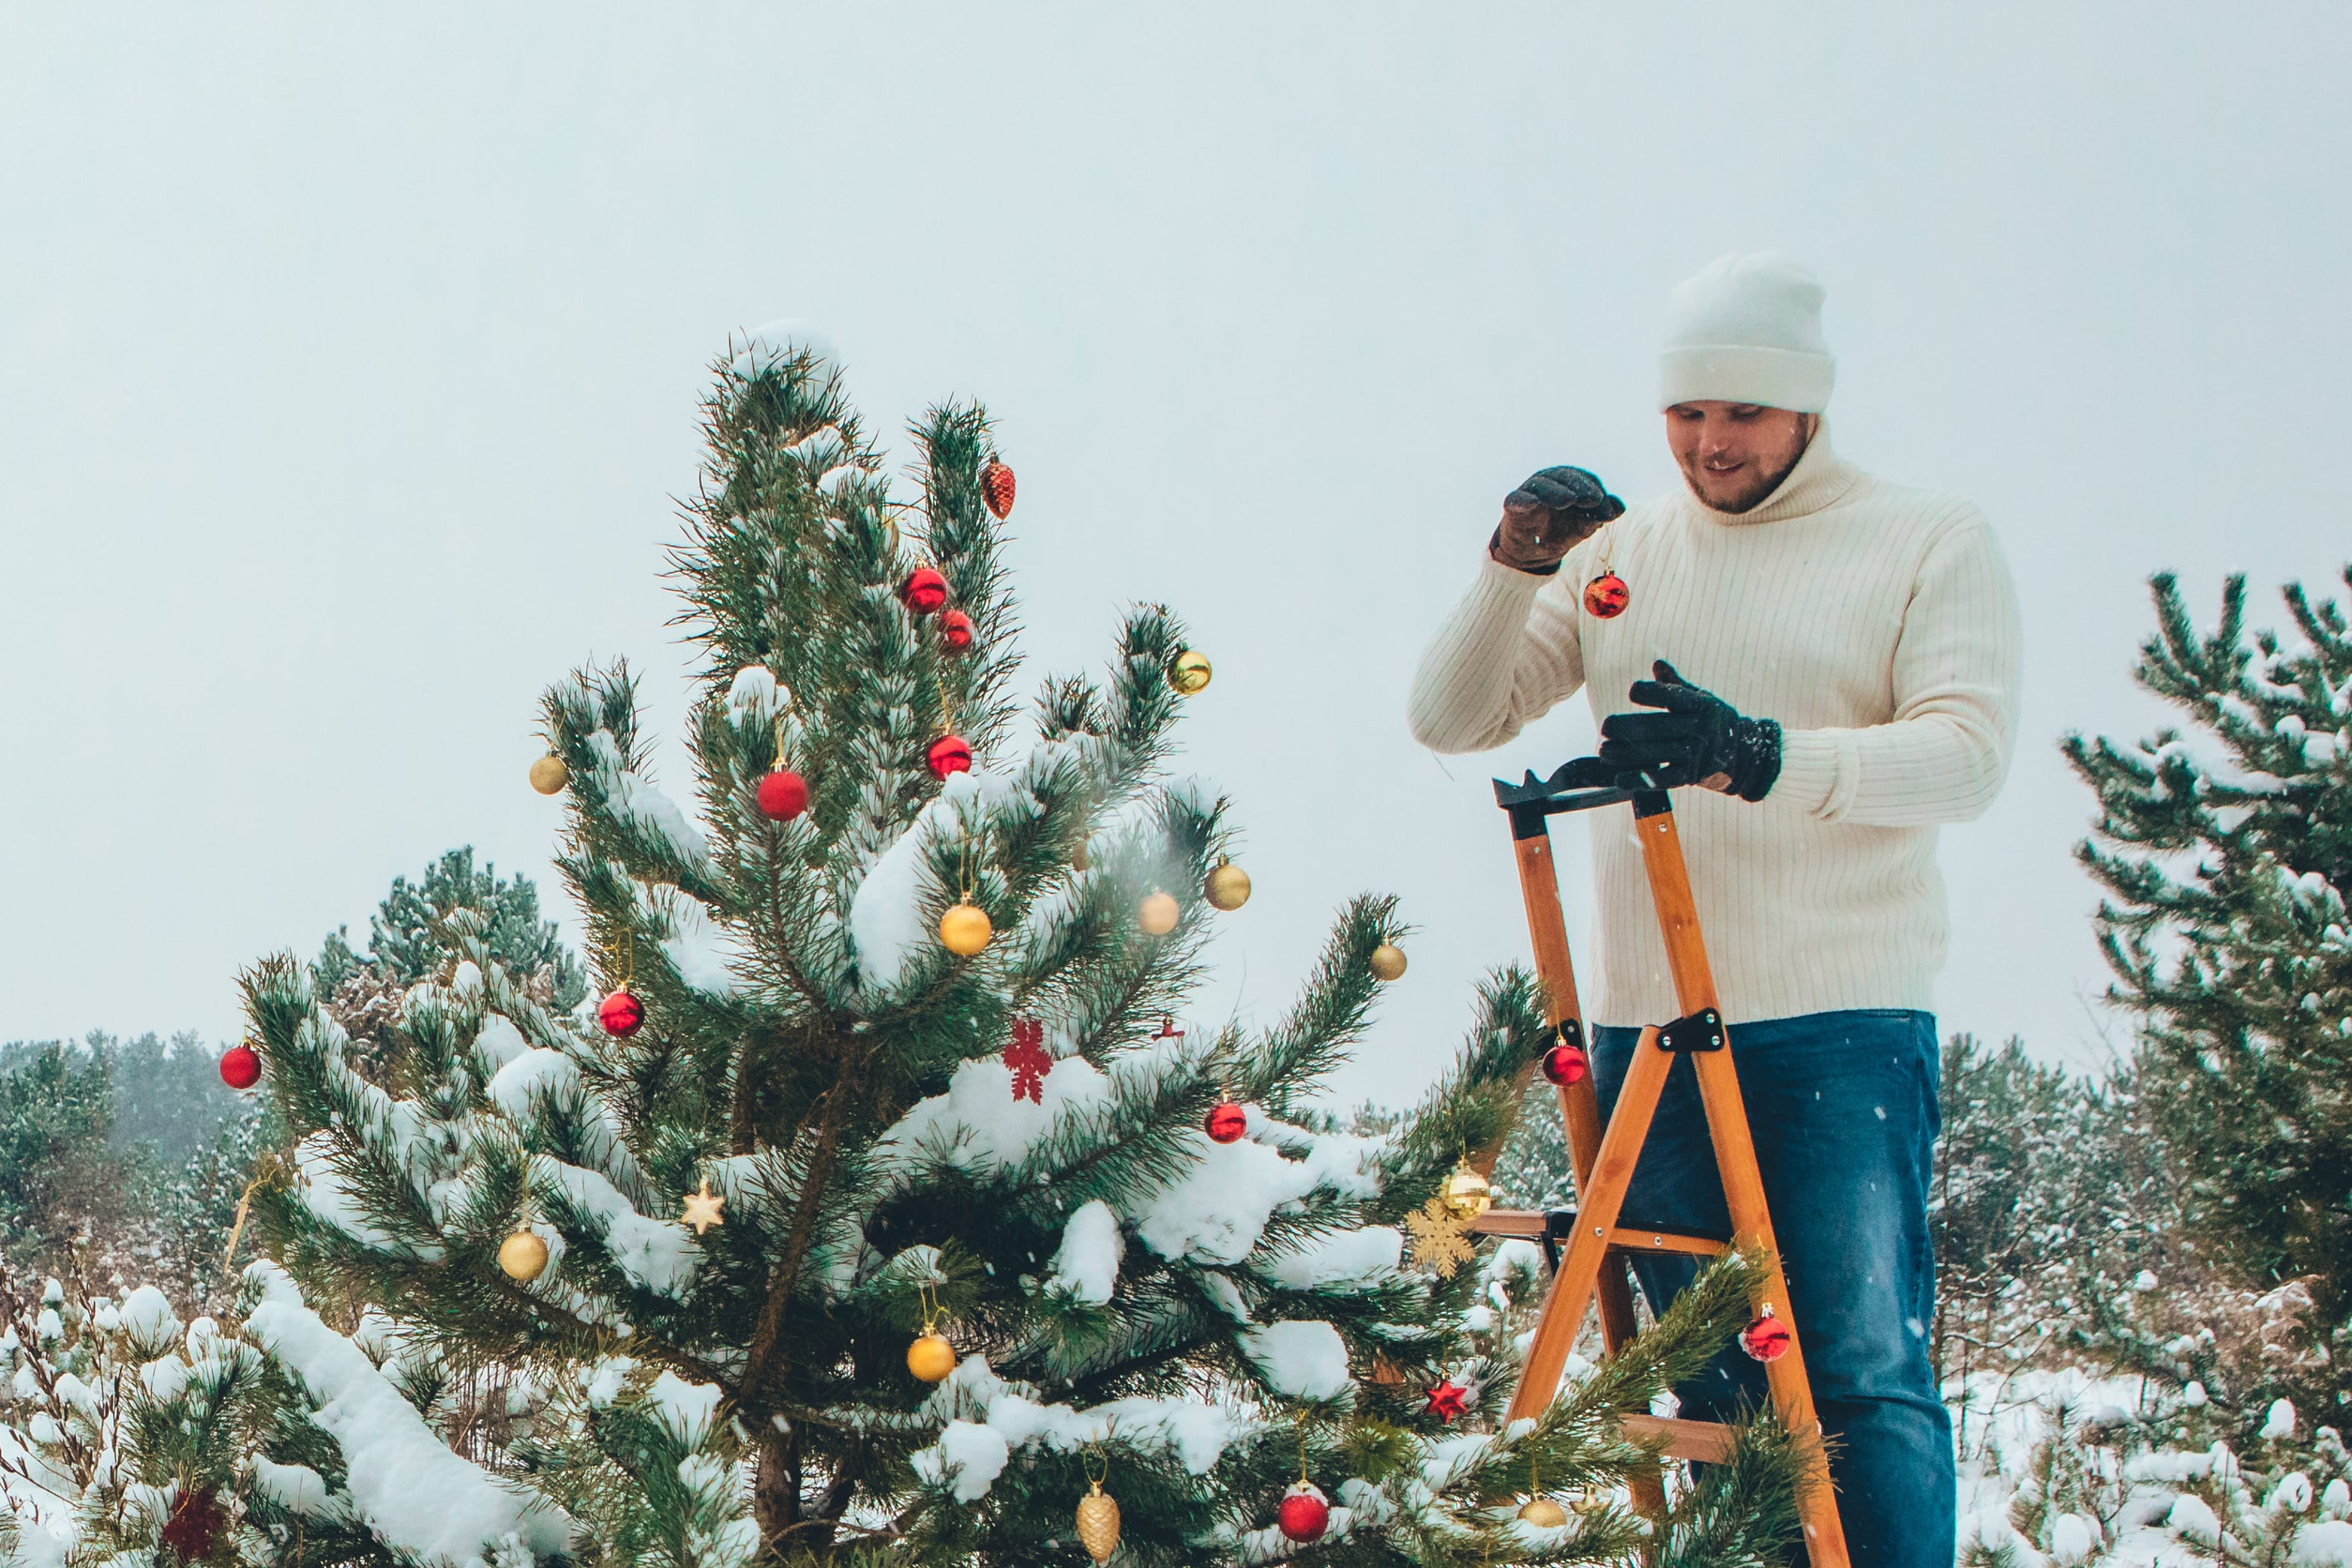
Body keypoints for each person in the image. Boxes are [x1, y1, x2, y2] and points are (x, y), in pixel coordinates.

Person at [1407, 251, 2021, 1568]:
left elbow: (1967, 755)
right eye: (1687, 414)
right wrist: (1515, 565)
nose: (1710, 443)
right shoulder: (1619, 556)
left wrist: (1765, 758)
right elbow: (1451, 718)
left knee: (1855, 1367)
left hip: (1835, 1017)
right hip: (1648, 1027)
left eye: (1742, 413)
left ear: (1807, 409)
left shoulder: (1927, 539)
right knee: (1714, 1381)